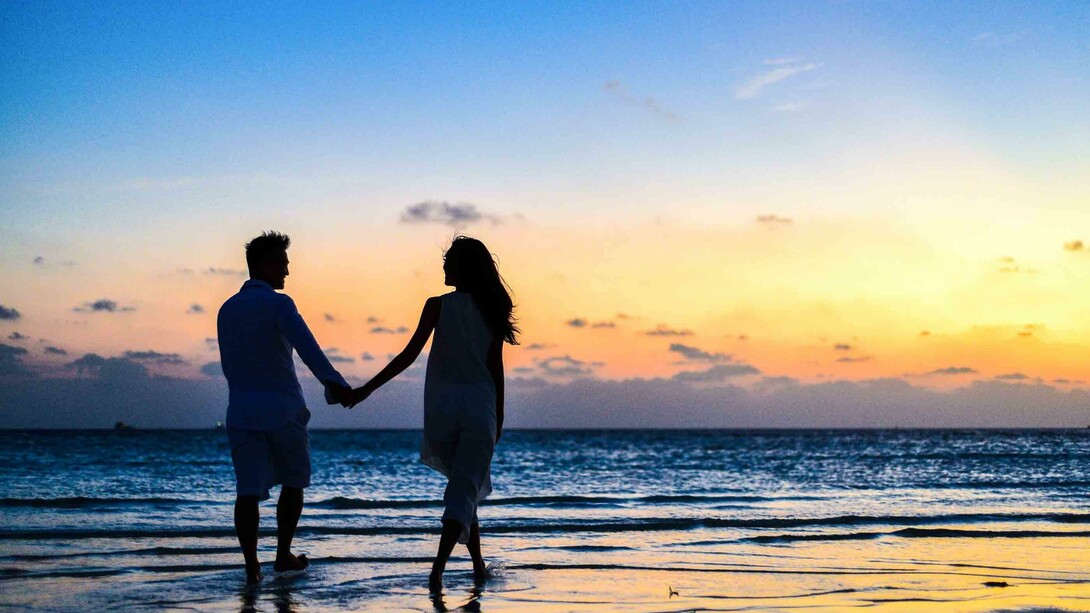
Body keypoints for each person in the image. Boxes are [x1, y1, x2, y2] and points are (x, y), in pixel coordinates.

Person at [349, 236, 518, 590]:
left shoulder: (437, 305)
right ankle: (437, 570)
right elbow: (495, 368)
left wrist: (366, 389)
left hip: (442, 412)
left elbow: (408, 356)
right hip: (479, 409)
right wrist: (499, 417)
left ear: (463, 267)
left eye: (448, 261)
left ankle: (477, 565)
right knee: (463, 490)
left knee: (463, 487)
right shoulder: (491, 308)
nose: (443, 266)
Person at [217, 231, 352, 584]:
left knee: (247, 491)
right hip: (282, 409)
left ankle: (251, 566)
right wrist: (335, 385)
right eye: (283, 263)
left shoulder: (226, 309)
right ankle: (281, 555)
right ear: (266, 264)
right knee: (294, 482)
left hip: (242, 410)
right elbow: (308, 348)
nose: (287, 272)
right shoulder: (280, 304)